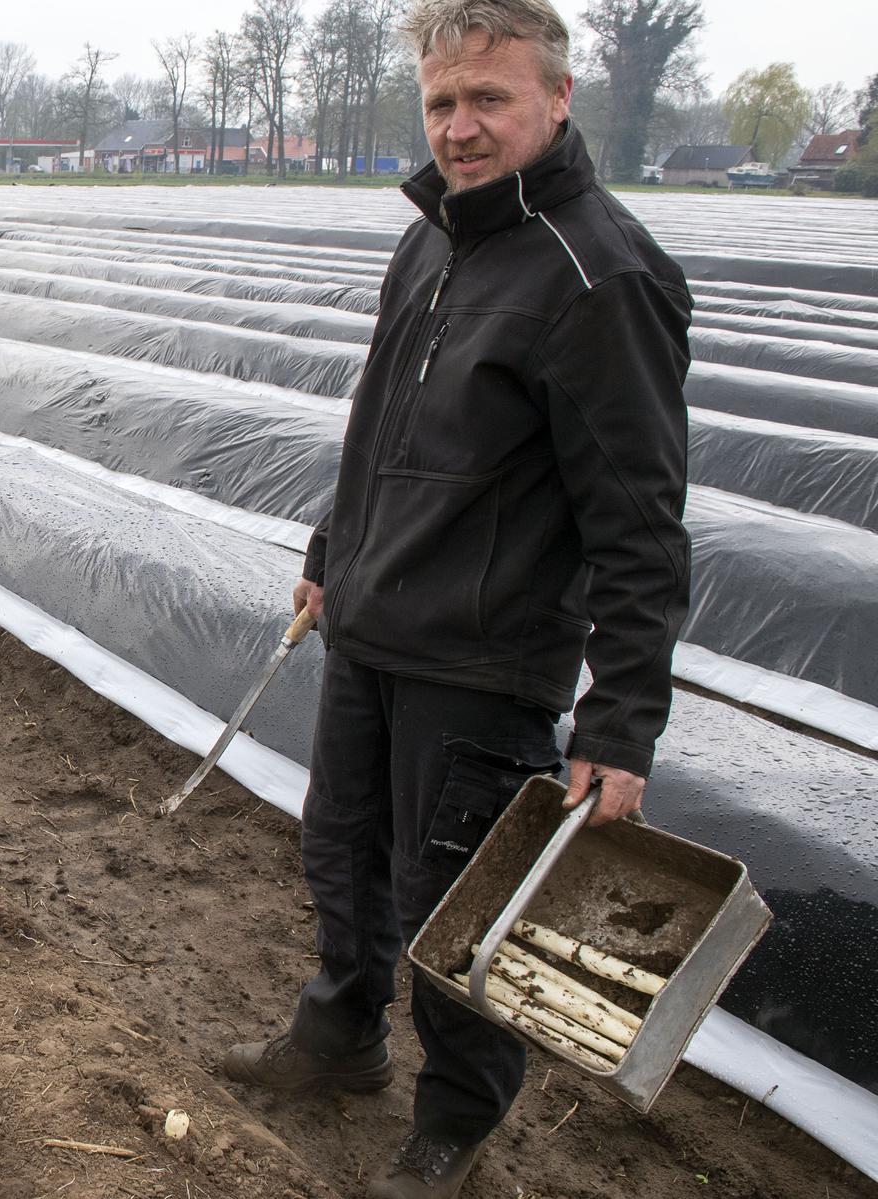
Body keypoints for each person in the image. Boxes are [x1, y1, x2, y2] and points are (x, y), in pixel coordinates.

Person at [218, 0, 693, 1195]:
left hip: (484, 662)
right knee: (342, 854)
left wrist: (621, 722)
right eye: (442, 102)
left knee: (453, 906)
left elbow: (638, 523)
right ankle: (339, 1039)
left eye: (490, 100)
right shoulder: (432, 239)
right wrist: (335, 546)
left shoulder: (602, 277)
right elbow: (378, 425)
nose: (462, 128)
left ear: (557, 97)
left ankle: (455, 1125)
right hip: (376, 622)